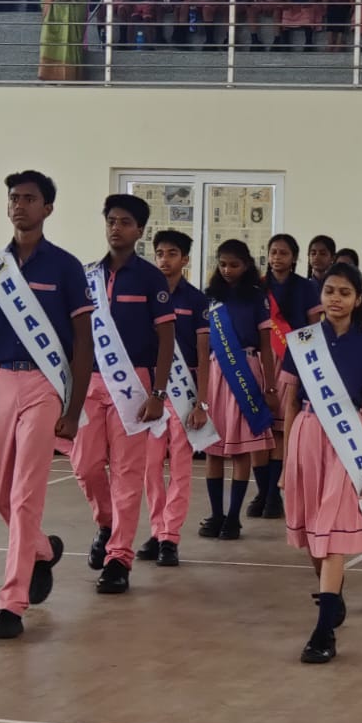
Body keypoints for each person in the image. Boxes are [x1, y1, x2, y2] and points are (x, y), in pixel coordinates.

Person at [0, 170, 93, 640]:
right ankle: (43, 549)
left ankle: (11, 604)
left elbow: (83, 343)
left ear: (48, 208)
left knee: (25, 497)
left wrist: (73, 409)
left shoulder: (66, 267)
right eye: (14, 198)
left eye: (29, 198)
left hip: (44, 384)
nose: (19, 205)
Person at [281, 261, 362, 664]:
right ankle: (332, 595)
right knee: (312, 531)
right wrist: (286, 459)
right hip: (307, 433)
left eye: (344, 292)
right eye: (329, 291)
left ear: (357, 300)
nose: (335, 299)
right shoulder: (302, 342)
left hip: (348, 442)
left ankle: (324, 632)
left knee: (332, 529)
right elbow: (290, 404)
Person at [73, 193, 176, 593]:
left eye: (125, 222)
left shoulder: (150, 278)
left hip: (134, 384)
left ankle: (119, 558)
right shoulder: (88, 275)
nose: (116, 228)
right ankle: (106, 522)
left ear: (140, 230)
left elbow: (166, 339)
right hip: (91, 382)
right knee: (85, 465)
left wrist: (158, 392)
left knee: (127, 473)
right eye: (111, 221)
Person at [139, 228, 210, 567]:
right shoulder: (145, 295)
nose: (164, 260)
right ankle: (156, 530)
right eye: (160, 253)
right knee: (151, 466)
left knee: (180, 467)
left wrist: (202, 403)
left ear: (185, 259)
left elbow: (204, 353)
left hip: (185, 392)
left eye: (171, 254)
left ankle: (171, 536)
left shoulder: (196, 300)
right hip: (152, 390)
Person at [200, 239, 277, 540]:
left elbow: (267, 346)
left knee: (241, 449)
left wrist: (270, 385)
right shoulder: (211, 298)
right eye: (222, 264)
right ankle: (216, 514)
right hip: (216, 373)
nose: (227, 270)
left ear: (246, 265)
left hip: (247, 369)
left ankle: (233, 517)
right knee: (214, 448)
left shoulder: (257, 298)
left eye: (234, 264)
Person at [251, 232, 322, 518]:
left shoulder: (306, 288)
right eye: (273, 252)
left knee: (281, 430)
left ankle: (273, 495)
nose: (277, 257)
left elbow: (314, 327)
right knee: (259, 428)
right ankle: (261, 491)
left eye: (283, 253)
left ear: (294, 258)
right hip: (262, 360)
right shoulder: (258, 287)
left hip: (292, 361)